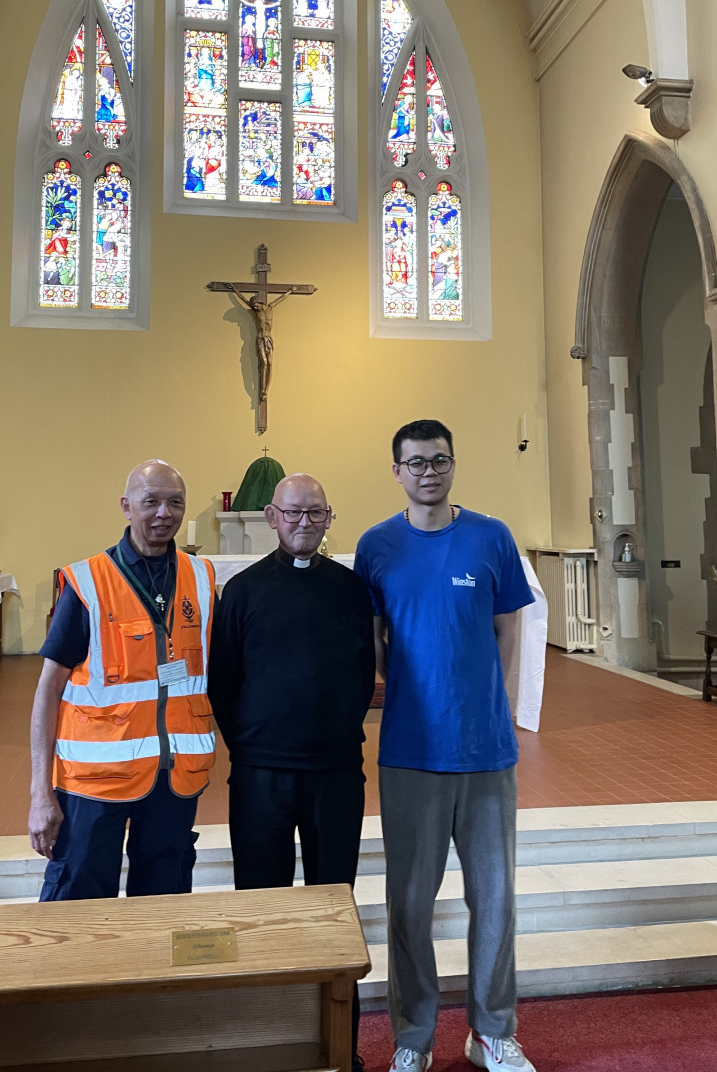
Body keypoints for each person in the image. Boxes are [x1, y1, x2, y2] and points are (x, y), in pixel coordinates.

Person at [354, 420, 538, 1072]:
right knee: (409, 901)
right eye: (416, 461)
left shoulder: (490, 537)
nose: (428, 470)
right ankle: (413, 1034)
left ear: (453, 463)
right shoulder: (376, 545)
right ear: (397, 470)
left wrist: (505, 712)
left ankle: (491, 1028)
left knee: (495, 897)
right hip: (409, 750)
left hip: (486, 751)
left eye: (439, 459)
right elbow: (373, 641)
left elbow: (508, 631)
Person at [208, 472, 374, 1072]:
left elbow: (363, 674)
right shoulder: (244, 591)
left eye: (315, 514)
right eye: (293, 513)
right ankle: (262, 1041)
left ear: (330, 520)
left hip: (334, 775)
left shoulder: (352, 589)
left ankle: (339, 1046)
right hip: (260, 778)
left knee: (334, 910)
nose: (304, 523)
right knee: (260, 909)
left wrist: (331, 734)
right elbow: (223, 680)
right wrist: (252, 747)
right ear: (272, 518)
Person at [28, 459, 216, 900]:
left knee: (163, 904)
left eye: (175, 503)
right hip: (96, 780)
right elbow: (48, 690)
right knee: (79, 902)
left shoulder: (202, 578)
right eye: (151, 501)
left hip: (174, 778)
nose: (164, 513)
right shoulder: (88, 580)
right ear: (126, 506)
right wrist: (39, 793)